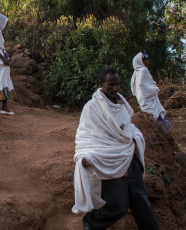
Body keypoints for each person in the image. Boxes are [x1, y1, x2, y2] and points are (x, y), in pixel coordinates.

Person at [73, 67, 161, 230]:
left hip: (129, 157)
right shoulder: (92, 108)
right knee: (118, 207)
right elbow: (86, 136)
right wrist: (85, 156)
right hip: (111, 161)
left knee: (141, 202)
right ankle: (91, 222)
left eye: (117, 84)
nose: (115, 88)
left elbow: (127, 127)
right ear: (101, 83)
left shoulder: (121, 104)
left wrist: (133, 136)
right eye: (110, 85)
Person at [131, 51, 171, 131]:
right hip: (149, 99)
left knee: (153, 115)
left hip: (144, 99)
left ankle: (163, 132)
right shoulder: (143, 70)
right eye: (145, 58)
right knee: (156, 114)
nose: (147, 60)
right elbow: (141, 85)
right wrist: (154, 89)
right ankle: (165, 131)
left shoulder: (136, 72)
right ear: (140, 61)